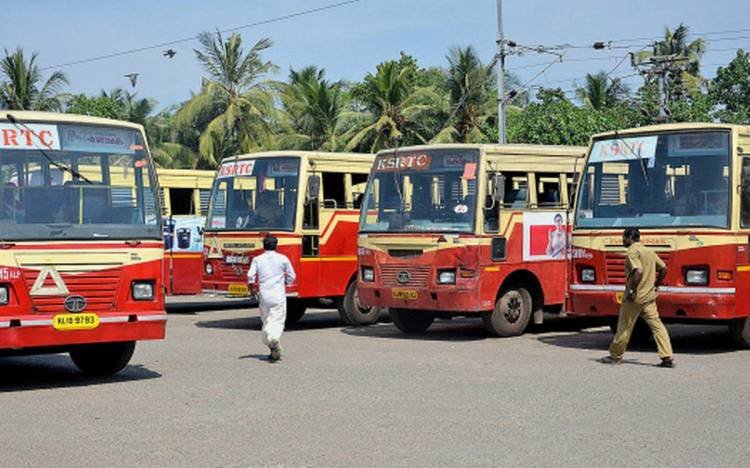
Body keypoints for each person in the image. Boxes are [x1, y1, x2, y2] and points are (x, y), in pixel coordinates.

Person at [600, 228, 675, 368]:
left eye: (623, 238)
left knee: (624, 327)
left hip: (634, 298)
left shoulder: (632, 251)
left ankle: (615, 356)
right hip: (649, 297)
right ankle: (667, 356)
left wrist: (633, 290)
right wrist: (657, 284)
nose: (622, 241)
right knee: (657, 326)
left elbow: (638, 271)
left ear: (629, 238)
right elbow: (663, 268)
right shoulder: (649, 251)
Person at [247, 236, 296, 362]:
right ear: (276, 245)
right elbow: (292, 276)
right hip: (278, 294)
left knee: (266, 320)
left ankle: (271, 346)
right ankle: (273, 340)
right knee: (277, 320)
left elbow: (250, 276)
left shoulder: (258, 259)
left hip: (264, 294)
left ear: (263, 246)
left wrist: (252, 289)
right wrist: (285, 282)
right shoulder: (283, 259)